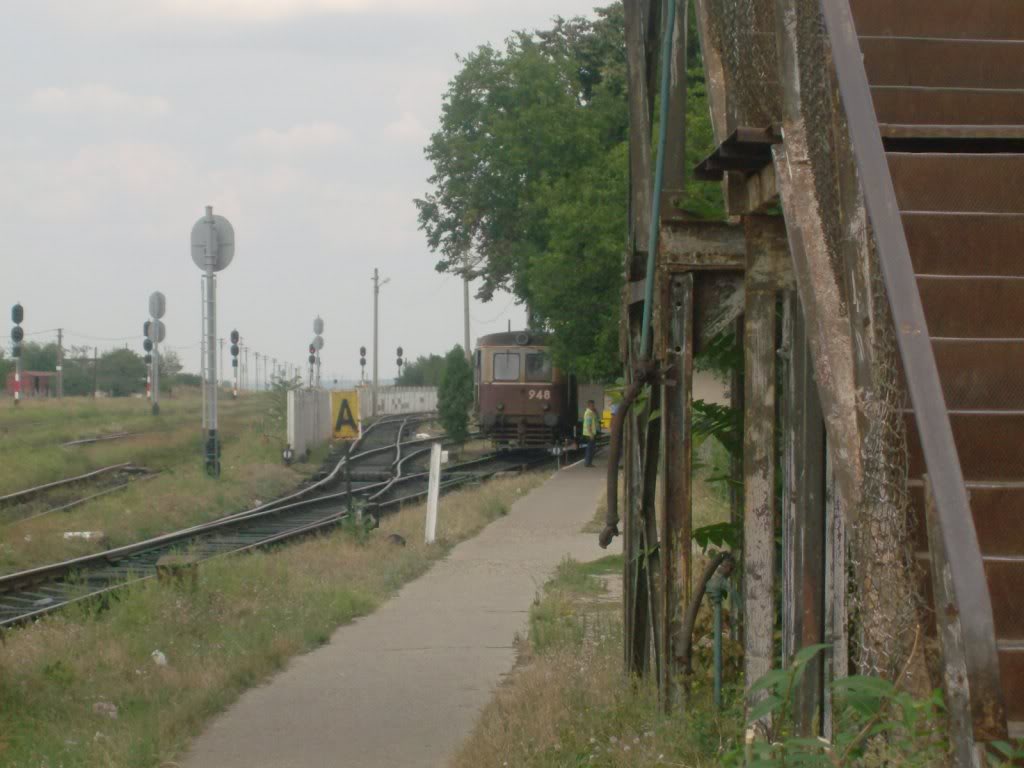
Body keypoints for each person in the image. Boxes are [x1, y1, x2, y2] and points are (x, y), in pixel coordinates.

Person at [582, 399, 598, 467]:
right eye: (592, 405)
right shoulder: (589, 413)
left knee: (591, 448)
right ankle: (588, 463)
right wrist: (591, 434)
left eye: (594, 405)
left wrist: (595, 411)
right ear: (589, 405)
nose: (594, 406)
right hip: (589, 434)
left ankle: (588, 463)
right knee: (590, 449)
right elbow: (588, 424)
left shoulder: (591, 412)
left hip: (590, 433)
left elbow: (597, 418)